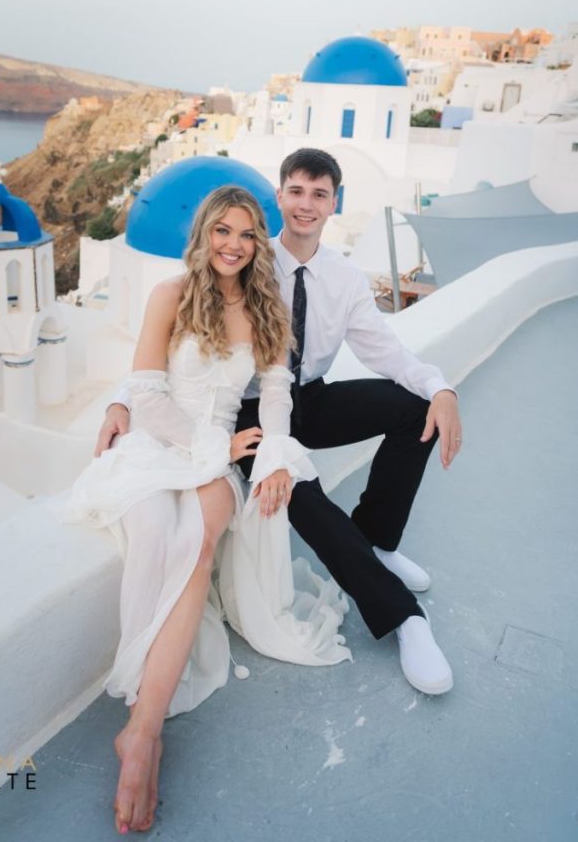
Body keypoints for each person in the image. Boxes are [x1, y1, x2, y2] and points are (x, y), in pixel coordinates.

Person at [102, 150, 463, 699]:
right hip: (247, 410)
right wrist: (120, 401)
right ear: (280, 197)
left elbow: (384, 350)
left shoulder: (343, 278)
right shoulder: (245, 254)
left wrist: (440, 387)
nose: (306, 204)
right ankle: (404, 618)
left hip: (306, 396)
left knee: (414, 409)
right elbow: (178, 344)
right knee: (297, 491)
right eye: (296, 191)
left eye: (319, 194)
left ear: (333, 203)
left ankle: (377, 541)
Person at [59, 185, 350, 835]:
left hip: (215, 456)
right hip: (160, 443)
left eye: (247, 235)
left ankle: (141, 735)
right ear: (204, 233)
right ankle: (146, 719)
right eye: (223, 230)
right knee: (155, 535)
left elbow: (275, 395)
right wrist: (205, 443)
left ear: (258, 245)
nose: (234, 245)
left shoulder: (267, 308)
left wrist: (271, 453)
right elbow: (146, 394)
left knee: (198, 545)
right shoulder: (170, 296)